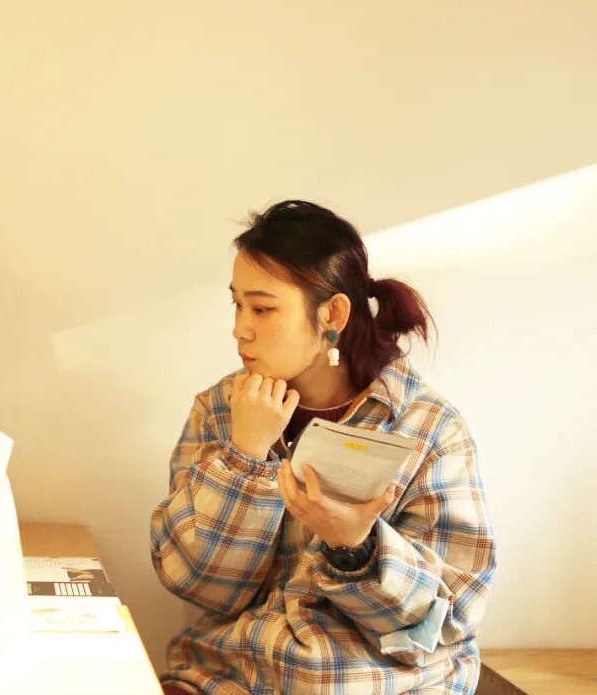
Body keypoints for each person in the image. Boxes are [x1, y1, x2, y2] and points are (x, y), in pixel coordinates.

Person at [151, 200, 495, 694]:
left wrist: (358, 550)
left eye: (262, 308)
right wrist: (245, 457)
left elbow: (447, 621)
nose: (240, 328)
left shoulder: (428, 430)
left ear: (332, 313)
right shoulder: (221, 410)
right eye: (237, 304)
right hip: (230, 681)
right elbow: (199, 584)